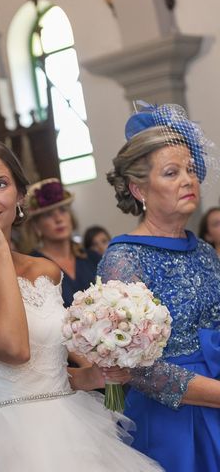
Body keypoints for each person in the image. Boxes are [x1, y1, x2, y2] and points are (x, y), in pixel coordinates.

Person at [0, 138, 161, 472]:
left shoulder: (45, 272)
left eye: (1, 184)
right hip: (5, 443)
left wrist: (98, 376)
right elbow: (14, 348)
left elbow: (61, 372)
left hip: (77, 434)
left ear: (20, 196)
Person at [99, 102, 220, 471]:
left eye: (190, 169)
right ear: (139, 189)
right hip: (175, 421)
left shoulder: (203, 251)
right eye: (171, 173)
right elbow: (137, 367)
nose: (188, 180)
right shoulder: (124, 258)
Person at [22, 178, 100, 307]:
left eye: (63, 210)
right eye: (48, 215)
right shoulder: (31, 266)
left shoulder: (92, 258)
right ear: (36, 226)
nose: (58, 219)